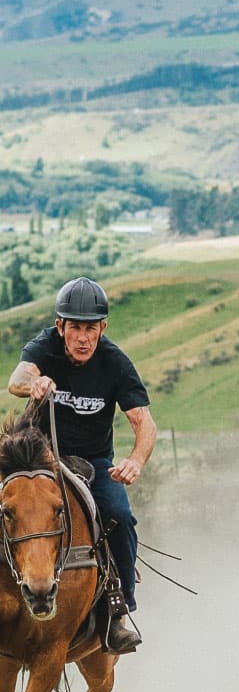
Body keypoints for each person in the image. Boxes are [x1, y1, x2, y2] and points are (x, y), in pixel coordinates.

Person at [8, 277, 157, 654]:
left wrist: (135, 461)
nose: (83, 337)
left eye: (91, 328)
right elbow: (17, 378)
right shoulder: (45, 346)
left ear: (102, 328)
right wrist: (35, 382)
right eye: (75, 327)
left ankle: (119, 609)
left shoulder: (115, 363)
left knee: (119, 515)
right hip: (36, 456)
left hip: (94, 462)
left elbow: (144, 422)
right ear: (60, 326)